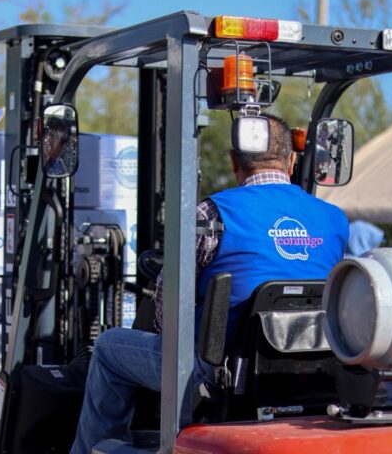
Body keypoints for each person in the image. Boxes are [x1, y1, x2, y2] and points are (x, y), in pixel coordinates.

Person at [70, 115, 349, 453]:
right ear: (291, 160)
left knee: (108, 347)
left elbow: (169, 304)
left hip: (220, 375)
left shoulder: (212, 215)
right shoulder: (335, 219)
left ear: (234, 162)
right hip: (312, 373)